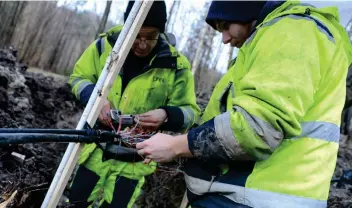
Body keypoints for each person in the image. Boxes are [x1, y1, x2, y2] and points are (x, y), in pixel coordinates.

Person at [136, 1, 352, 207]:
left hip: (252, 197)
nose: (224, 39)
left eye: (226, 26)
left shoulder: (292, 33)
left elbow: (256, 128)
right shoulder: (267, 44)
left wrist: (175, 147)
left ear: (245, 10)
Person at [67, 1, 200, 207]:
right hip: (94, 154)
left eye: (151, 36)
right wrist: (97, 99)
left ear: (161, 31)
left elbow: (191, 112)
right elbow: (78, 78)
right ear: (128, 27)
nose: (143, 44)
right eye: (137, 35)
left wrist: (166, 115)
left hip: (134, 164)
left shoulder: (176, 65)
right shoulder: (106, 46)